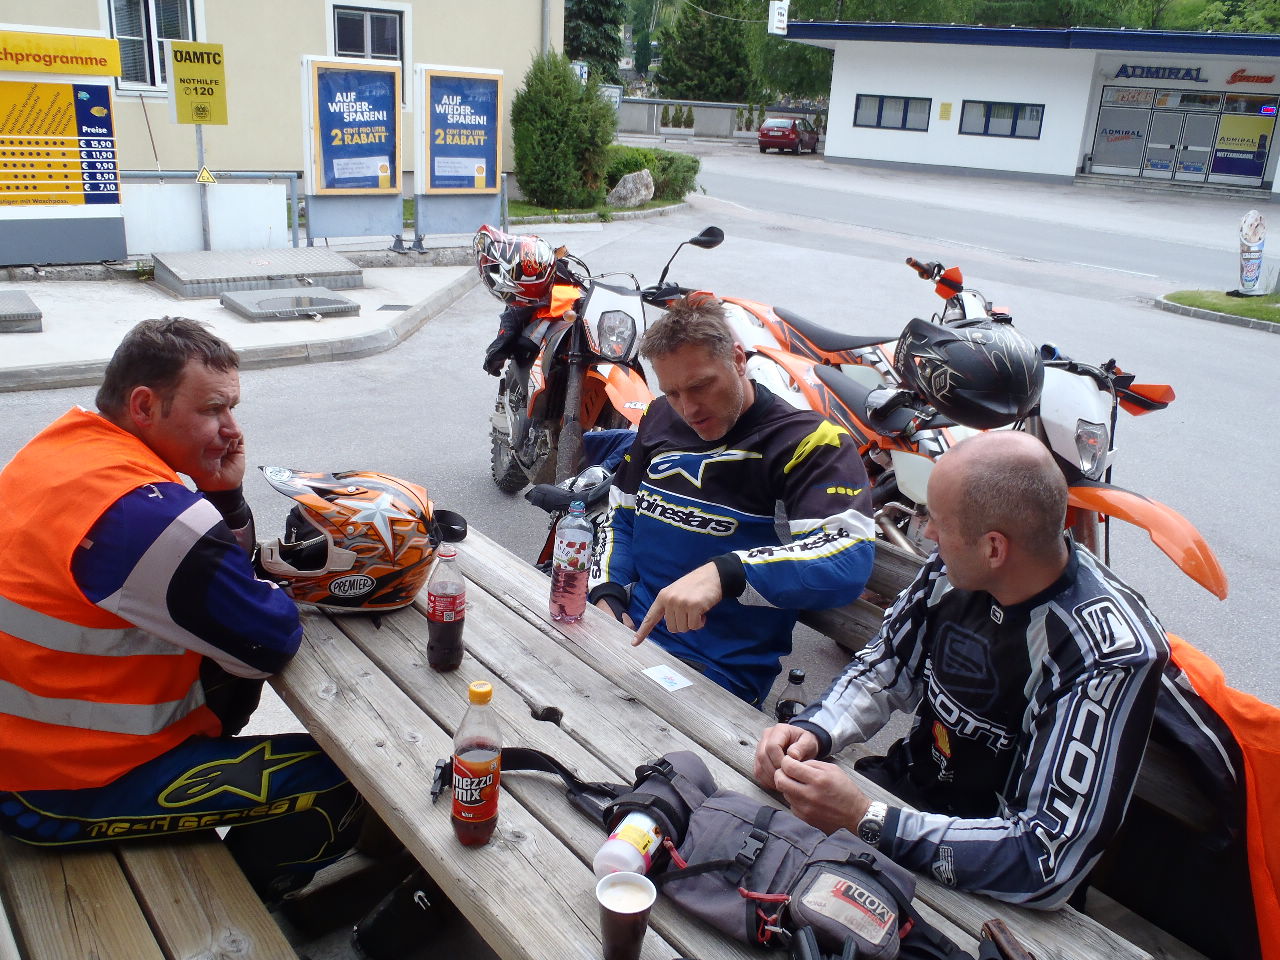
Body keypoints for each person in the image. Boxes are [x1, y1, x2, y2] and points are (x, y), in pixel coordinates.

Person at [753, 431, 1256, 948]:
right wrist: (814, 731)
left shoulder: (1105, 651)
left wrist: (869, 819)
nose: (926, 533)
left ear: (994, 547)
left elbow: (1045, 857)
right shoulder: (957, 569)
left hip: (995, 888)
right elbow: (886, 665)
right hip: (904, 798)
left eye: (936, 522)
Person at [0, 317, 361, 900]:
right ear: (144, 405)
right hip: (56, 787)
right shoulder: (143, 515)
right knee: (351, 781)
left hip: (27, 746)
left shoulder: (63, 448)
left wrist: (223, 495)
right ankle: (238, 910)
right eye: (213, 409)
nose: (232, 430)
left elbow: (222, 587)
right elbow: (268, 638)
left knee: (222, 669)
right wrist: (262, 575)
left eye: (233, 407)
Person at [588, 295, 876, 705]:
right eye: (673, 392)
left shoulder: (808, 441)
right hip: (626, 631)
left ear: (738, 360)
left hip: (715, 671)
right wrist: (606, 592)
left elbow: (848, 559)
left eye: (700, 386)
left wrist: (726, 573)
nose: (688, 409)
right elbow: (621, 514)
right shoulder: (660, 415)